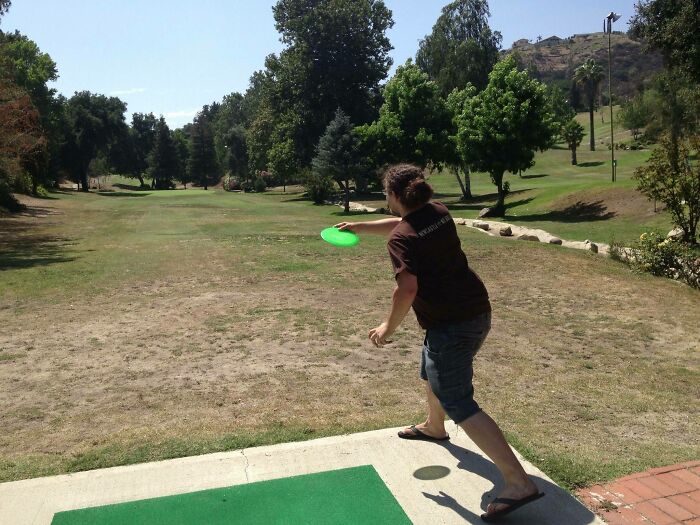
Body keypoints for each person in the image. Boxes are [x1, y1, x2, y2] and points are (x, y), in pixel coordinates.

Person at [335, 164, 544, 522]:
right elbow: (402, 225)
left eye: (386, 193)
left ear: (396, 196)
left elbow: (406, 288)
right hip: (475, 311)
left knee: (459, 400)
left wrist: (387, 327)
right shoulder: (438, 212)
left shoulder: (402, 240)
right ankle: (434, 427)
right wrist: (358, 226)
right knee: (431, 370)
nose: (386, 199)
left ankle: (518, 482)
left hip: (452, 325)